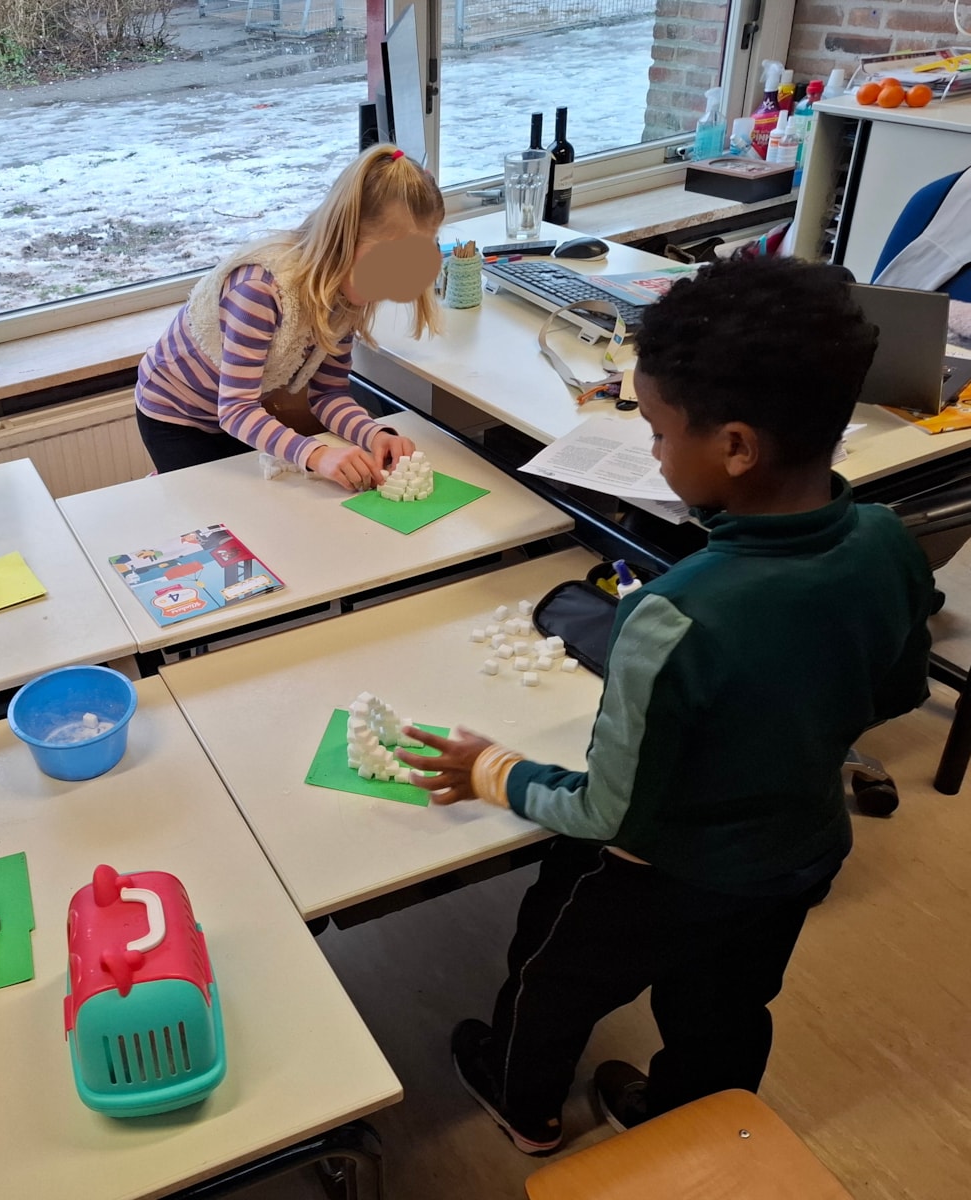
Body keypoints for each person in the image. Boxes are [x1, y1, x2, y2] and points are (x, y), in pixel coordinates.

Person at [395, 257, 933, 1154]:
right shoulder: (886, 540)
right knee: (728, 1003)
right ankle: (690, 1109)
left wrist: (494, 769)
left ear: (736, 447)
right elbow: (897, 690)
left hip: (660, 874)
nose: (650, 451)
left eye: (653, 429)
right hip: (799, 850)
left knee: (553, 979)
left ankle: (524, 1105)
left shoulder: (673, 613)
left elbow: (606, 811)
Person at [135, 144, 445, 487]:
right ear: (343, 238)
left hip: (232, 413)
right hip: (174, 413)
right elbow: (236, 409)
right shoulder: (259, 290)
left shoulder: (344, 296)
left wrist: (375, 434)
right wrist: (316, 455)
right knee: (211, 505)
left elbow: (328, 395)